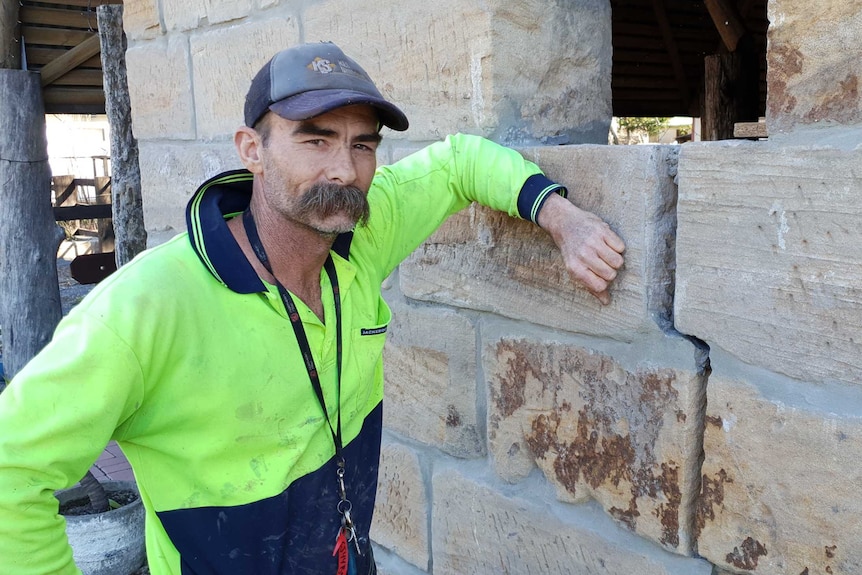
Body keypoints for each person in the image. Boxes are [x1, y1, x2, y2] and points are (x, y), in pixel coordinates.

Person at [0, 41, 625, 575]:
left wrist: (561, 217)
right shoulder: (144, 309)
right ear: (252, 148)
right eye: (315, 139)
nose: (344, 169)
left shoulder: (358, 239)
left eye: (361, 145)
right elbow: (10, 472)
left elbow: (459, 160)